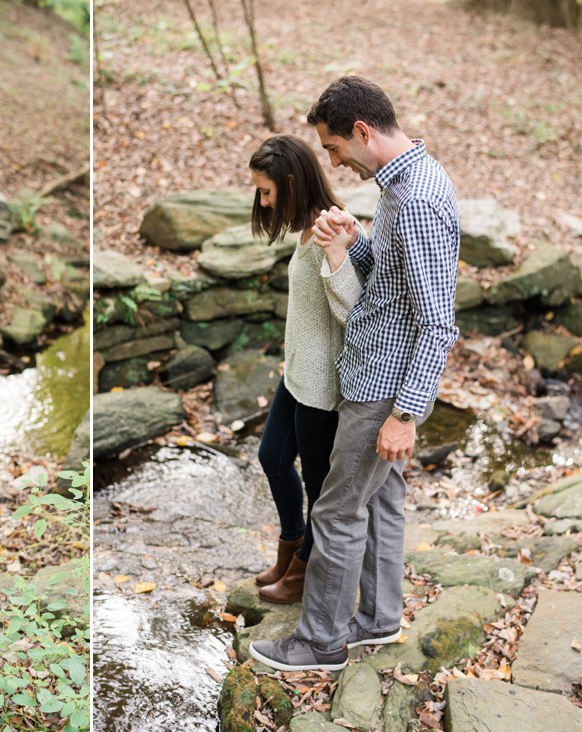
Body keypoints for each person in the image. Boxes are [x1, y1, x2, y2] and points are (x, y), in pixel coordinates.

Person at [249, 76, 460, 672]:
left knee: (337, 513)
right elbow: (390, 286)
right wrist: (356, 243)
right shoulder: (404, 186)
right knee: (383, 503)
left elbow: (437, 321)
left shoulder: (414, 199)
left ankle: (321, 642)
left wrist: (405, 413)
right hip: (378, 372)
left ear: (361, 132)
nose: (334, 163)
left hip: (382, 387)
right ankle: (377, 620)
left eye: (335, 149)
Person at [248, 135, 361, 604]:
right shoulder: (305, 228)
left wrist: (338, 254)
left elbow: (354, 309)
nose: (263, 200)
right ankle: (290, 544)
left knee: (319, 488)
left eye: (268, 190)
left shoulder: (331, 229)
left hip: (322, 386)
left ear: (292, 183)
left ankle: (302, 572)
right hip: (297, 374)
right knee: (272, 458)